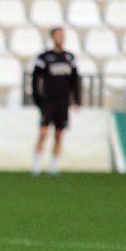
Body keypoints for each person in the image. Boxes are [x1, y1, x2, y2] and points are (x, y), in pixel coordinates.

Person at [31, 27, 81, 176]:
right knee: (43, 132)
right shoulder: (45, 57)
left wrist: (77, 100)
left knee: (59, 134)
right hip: (48, 101)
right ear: (52, 37)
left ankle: (53, 167)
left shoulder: (70, 58)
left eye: (62, 35)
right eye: (58, 35)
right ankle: (36, 166)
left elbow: (75, 80)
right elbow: (35, 78)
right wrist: (37, 98)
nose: (60, 37)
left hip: (63, 102)